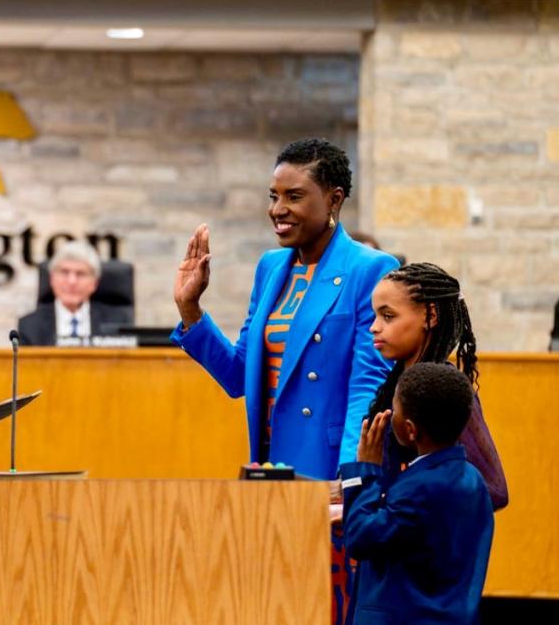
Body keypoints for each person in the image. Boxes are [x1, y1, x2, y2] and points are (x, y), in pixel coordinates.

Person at [171, 138, 399, 479]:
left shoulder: (369, 268)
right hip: (268, 463)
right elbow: (238, 376)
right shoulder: (271, 268)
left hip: (328, 464)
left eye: (294, 196)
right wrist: (190, 308)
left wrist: (352, 477)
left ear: (334, 199)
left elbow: (367, 387)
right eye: (274, 196)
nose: (278, 209)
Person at [342, 363, 494, 624]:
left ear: (411, 429)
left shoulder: (420, 487)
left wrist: (365, 471)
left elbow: (360, 538)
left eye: (395, 409)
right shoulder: (473, 479)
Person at [367, 262, 508, 510]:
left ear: (430, 316)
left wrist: (400, 496)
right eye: (375, 316)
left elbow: (495, 490)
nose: (374, 327)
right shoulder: (394, 386)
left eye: (388, 316)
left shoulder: (443, 392)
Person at [17, 240, 130, 346]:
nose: (72, 281)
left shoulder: (116, 322)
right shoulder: (29, 325)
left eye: (80, 274)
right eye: (64, 272)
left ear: (94, 283)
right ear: (52, 279)